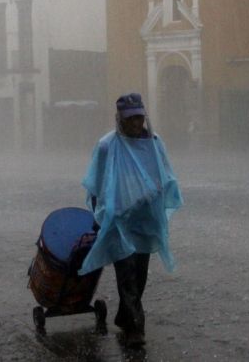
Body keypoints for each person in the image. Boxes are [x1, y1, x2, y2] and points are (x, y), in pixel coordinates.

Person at [78, 93, 183, 346]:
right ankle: (136, 329)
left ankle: (126, 317)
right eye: (130, 119)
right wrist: (99, 217)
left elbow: (165, 175)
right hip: (119, 220)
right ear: (120, 119)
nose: (136, 124)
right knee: (126, 272)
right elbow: (97, 183)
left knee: (140, 273)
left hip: (145, 220)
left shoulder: (155, 144)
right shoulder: (107, 146)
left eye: (139, 118)